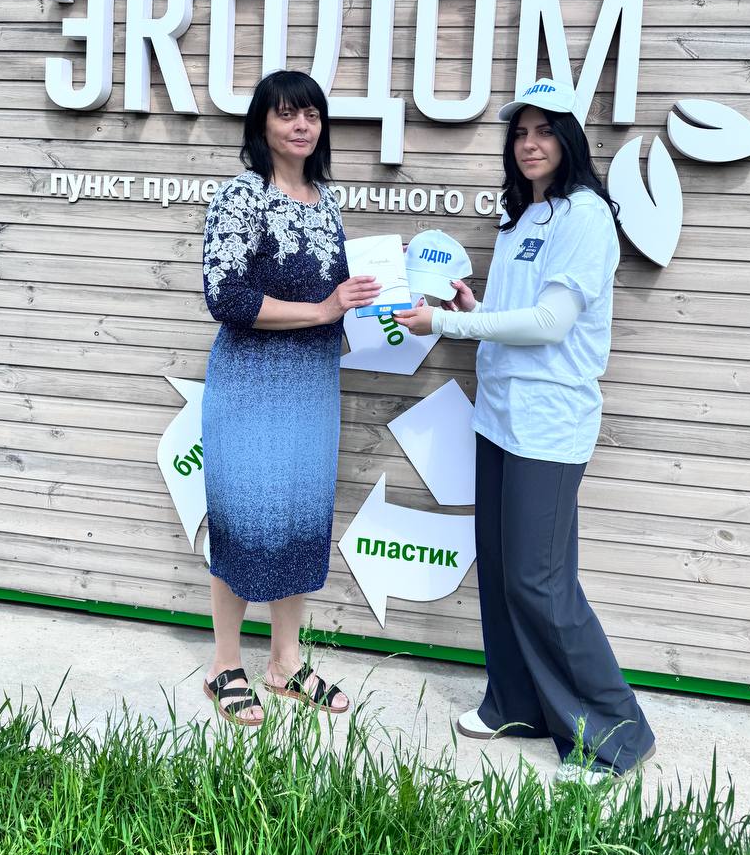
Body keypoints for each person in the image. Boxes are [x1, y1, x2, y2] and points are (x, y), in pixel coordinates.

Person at [394, 79, 655, 783]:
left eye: (544, 130)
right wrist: (473, 307)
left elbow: (551, 324)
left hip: (549, 424)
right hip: (499, 417)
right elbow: (515, 312)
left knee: (541, 583)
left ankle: (616, 734)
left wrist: (444, 322)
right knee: (503, 574)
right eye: (520, 133)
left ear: (569, 139)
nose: (530, 143)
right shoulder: (522, 216)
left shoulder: (585, 216)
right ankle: (515, 705)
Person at [200, 70, 379, 727]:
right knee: (244, 523)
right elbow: (227, 297)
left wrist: (385, 298)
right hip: (250, 387)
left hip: (311, 389)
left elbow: (338, 298)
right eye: (286, 114)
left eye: (311, 114)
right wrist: (323, 309)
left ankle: (285, 662)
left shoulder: (326, 202)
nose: (301, 125)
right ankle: (224, 665)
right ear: (263, 124)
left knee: (302, 523)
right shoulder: (241, 196)